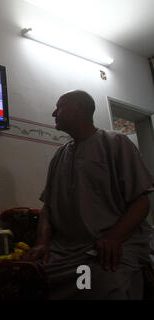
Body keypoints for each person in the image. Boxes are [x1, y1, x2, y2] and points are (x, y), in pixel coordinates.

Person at [24, 90, 154, 299]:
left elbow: (141, 202)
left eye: (60, 107)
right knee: (31, 279)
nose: (53, 113)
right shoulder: (60, 155)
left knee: (101, 283)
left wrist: (114, 237)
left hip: (109, 247)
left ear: (79, 111)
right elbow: (47, 208)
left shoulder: (116, 143)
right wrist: (42, 243)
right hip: (65, 252)